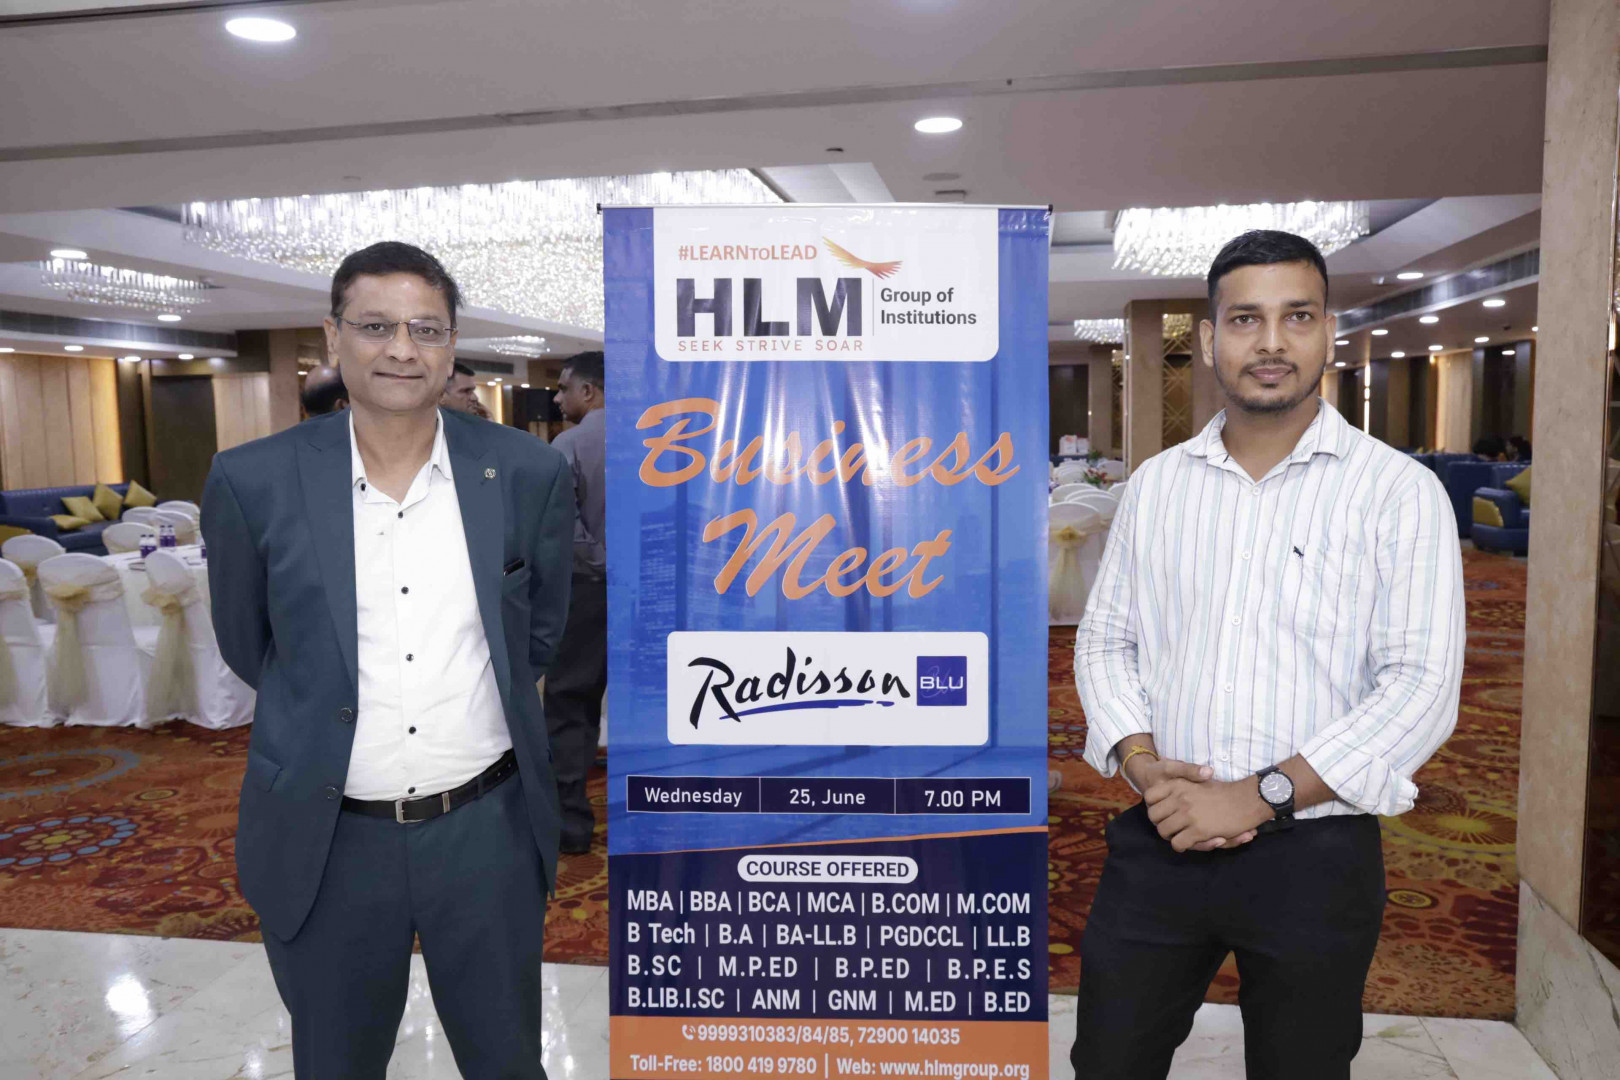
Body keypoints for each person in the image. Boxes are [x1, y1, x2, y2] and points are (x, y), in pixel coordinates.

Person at [1070, 230, 1465, 1080]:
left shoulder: (1397, 491)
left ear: (1329, 332)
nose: (1272, 342)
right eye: (1246, 319)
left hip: (1316, 856)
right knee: (1108, 1058)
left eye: (1298, 316)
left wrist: (1257, 796)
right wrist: (1140, 762)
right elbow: (1105, 640)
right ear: (1211, 338)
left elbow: (1421, 686)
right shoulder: (1158, 486)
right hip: (1164, 835)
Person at [202, 241, 574, 1079]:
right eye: (375, 326)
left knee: (508, 1061)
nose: (402, 349)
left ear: (452, 344)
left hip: (486, 829)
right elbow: (249, 644)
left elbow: (539, 634)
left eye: (425, 329)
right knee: (335, 1062)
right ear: (332, 337)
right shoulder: (252, 480)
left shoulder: (527, 472)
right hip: (328, 835)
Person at [545, 351, 607, 853]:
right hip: (656, 595)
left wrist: (607, 565)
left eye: (564, 388)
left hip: (588, 592)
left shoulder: (568, 443)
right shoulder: (664, 434)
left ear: (589, 391)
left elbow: (566, 529)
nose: (557, 398)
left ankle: (571, 826)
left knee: (570, 706)